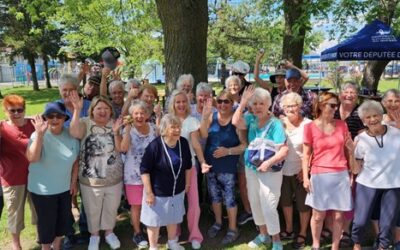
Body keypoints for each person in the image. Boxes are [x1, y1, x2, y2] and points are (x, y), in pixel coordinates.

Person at [232, 86, 288, 250]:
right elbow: (236, 121)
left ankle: (276, 240)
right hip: (252, 168)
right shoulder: (250, 118)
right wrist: (243, 103)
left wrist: (268, 163)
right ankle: (263, 235)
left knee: (269, 205)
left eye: (261, 103)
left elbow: (284, 150)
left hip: (270, 170)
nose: (257, 107)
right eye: (254, 103)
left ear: (268, 104)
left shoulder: (276, 124)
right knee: (255, 202)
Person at [69, 93, 123, 250]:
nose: (103, 111)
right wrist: (77, 110)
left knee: (111, 207)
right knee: (92, 210)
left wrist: (117, 132)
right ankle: (94, 236)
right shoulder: (85, 123)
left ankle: (109, 233)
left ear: (111, 111)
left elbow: (120, 146)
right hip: (91, 181)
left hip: (114, 178)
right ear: (92, 110)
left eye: (106, 108)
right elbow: (74, 132)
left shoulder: (114, 123)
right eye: (99, 108)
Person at [302, 92, 353, 250]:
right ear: (321, 105)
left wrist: (351, 174)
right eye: (331, 105)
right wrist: (305, 177)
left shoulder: (342, 125)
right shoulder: (309, 127)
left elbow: (347, 150)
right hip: (319, 174)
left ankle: (335, 246)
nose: (335, 108)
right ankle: (316, 244)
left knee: (339, 216)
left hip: (341, 174)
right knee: (318, 215)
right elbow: (306, 155)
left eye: (336, 105)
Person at [26, 102, 79, 250]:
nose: (55, 119)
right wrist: (40, 136)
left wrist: (73, 182)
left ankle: (56, 247)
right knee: (46, 224)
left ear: (64, 118)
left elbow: (76, 161)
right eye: (50, 116)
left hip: (64, 188)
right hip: (43, 190)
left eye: (59, 116)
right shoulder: (37, 134)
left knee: (62, 222)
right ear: (45, 118)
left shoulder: (71, 135)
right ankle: (45, 248)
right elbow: (32, 158)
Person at [351, 100, 400, 250]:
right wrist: (350, 152)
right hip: (367, 184)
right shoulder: (360, 139)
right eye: (368, 117)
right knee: (359, 221)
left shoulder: (397, 133)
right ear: (363, 120)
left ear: (381, 115)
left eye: (375, 115)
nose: (372, 120)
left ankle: (383, 246)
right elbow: (355, 169)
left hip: (393, 184)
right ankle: (357, 243)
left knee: (386, 223)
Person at [200, 89, 246, 245]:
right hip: (211, 166)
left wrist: (228, 151)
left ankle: (233, 229)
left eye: (226, 101)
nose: (222, 104)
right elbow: (203, 135)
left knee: (229, 198)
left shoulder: (236, 121)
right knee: (214, 196)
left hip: (228, 167)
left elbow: (244, 145)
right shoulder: (211, 117)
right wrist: (204, 117)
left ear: (232, 104)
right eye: (219, 101)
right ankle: (218, 222)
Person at [140, 114, 192, 250]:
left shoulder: (184, 143)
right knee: (154, 221)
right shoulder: (155, 146)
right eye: (173, 127)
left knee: (173, 218)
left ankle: (172, 242)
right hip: (157, 192)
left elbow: (188, 166)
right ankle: (153, 247)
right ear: (164, 129)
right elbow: (144, 170)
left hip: (177, 190)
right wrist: (149, 193)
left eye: (178, 127)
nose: (177, 130)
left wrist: (187, 184)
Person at [114, 100, 157, 249]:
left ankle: (150, 228)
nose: (139, 116)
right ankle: (137, 232)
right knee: (136, 206)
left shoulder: (153, 128)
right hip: (133, 175)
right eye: (136, 113)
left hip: (152, 175)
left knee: (151, 203)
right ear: (131, 115)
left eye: (142, 113)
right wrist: (126, 130)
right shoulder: (128, 130)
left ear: (147, 114)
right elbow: (123, 148)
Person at [168, 90, 207, 249]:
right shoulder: (167, 120)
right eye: (178, 102)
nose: (181, 105)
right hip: (171, 169)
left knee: (194, 204)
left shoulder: (191, 121)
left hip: (190, 167)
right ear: (173, 104)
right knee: (174, 203)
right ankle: (174, 233)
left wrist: (202, 161)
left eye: (184, 101)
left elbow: (196, 143)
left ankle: (195, 235)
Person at [0, 95, 37, 250]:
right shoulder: (2, 128)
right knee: (14, 214)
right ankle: (16, 245)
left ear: (24, 109)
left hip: (37, 177)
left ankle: (42, 238)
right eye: (12, 110)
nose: (16, 113)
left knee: (38, 211)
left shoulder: (34, 124)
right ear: (5, 111)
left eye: (19, 110)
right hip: (12, 179)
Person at [279, 92, 311, 249]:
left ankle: (303, 233)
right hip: (282, 171)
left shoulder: (308, 124)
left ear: (300, 106)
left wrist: (307, 170)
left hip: (301, 171)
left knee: (303, 204)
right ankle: (290, 229)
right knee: (285, 201)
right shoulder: (278, 123)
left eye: (293, 105)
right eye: (287, 106)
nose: (290, 108)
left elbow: (315, 150)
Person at [334, 81, 364, 247]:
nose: (349, 95)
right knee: (335, 194)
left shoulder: (360, 113)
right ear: (340, 94)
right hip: (333, 158)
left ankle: (345, 230)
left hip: (352, 158)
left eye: (352, 92)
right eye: (346, 91)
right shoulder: (333, 110)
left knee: (350, 195)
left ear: (357, 96)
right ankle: (332, 228)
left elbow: (363, 139)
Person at [190, 82, 214, 203]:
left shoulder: (214, 111)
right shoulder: (190, 110)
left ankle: (211, 203)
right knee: (196, 179)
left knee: (212, 179)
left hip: (211, 150)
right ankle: (198, 203)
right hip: (194, 151)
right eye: (200, 95)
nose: (203, 98)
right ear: (196, 96)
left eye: (206, 96)